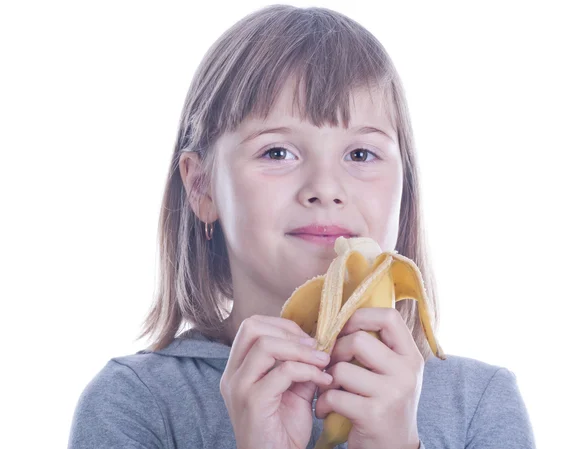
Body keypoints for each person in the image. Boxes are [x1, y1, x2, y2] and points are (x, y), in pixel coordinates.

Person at [67, 5, 536, 449]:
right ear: (202, 188)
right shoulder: (135, 403)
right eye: (277, 153)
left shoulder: (479, 405)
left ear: (405, 188)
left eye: (360, 154)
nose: (326, 188)